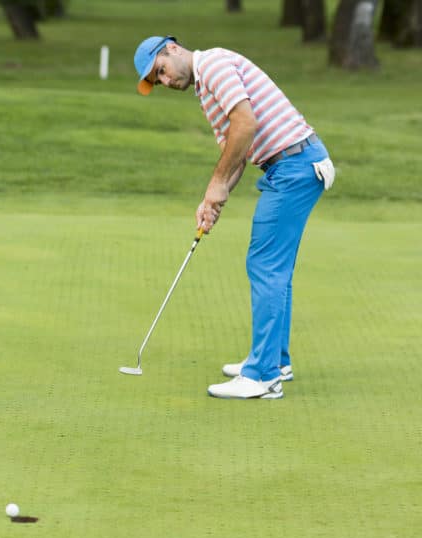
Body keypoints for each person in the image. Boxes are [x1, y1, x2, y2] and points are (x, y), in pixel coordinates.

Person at [133, 36, 335, 400]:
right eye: (157, 81)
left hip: (294, 165)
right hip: (289, 166)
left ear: (173, 49)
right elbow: (237, 153)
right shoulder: (206, 89)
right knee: (275, 268)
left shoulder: (213, 65)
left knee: (265, 265)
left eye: (160, 71)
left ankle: (262, 377)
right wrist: (213, 200)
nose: (165, 81)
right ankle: (276, 361)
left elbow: (246, 124)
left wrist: (216, 184)